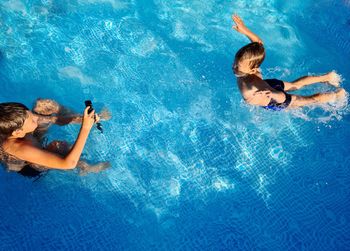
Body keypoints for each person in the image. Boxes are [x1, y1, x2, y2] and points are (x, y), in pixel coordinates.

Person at [231, 14, 346, 111]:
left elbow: (281, 97)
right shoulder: (248, 69)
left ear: (252, 70)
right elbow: (259, 45)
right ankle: (327, 77)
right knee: (295, 85)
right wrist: (245, 30)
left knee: (310, 100)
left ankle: (337, 95)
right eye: (235, 63)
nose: (234, 68)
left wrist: (272, 95)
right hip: (269, 84)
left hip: (275, 98)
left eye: (238, 66)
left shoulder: (250, 90)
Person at [0, 99, 110, 177]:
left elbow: (55, 120)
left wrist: (89, 119)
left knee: (42, 105)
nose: (35, 117)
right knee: (61, 148)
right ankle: (86, 168)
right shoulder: (20, 149)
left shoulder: (17, 128)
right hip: (30, 165)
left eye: (30, 114)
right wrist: (85, 128)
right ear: (18, 132)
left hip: (27, 138)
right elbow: (68, 164)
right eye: (32, 120)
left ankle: (91, 118)